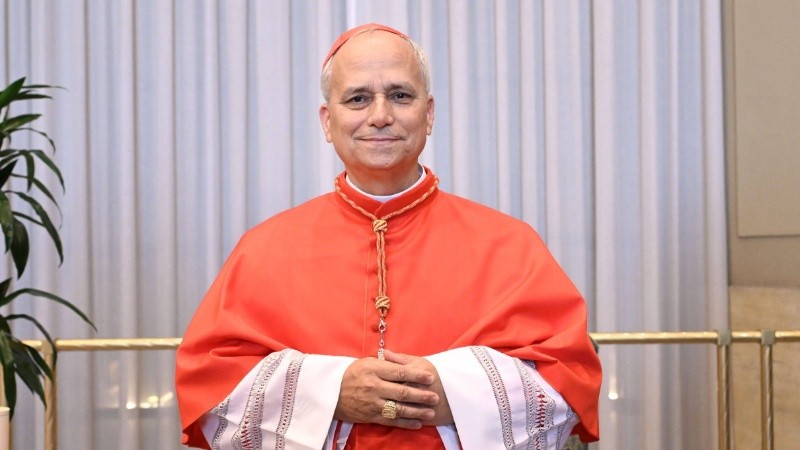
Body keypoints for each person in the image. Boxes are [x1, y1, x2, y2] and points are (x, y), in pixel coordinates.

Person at [175, 23, 601, 450]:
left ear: (428, 114)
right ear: (327, 120)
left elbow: (569, 378)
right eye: (358, 99)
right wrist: (330, 392)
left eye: (400, 95)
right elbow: (211, 387)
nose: (380, 116)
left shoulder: (509, 245)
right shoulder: (263, 250)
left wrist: (455, 392)